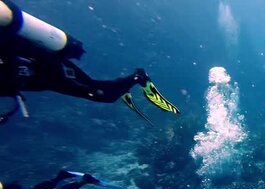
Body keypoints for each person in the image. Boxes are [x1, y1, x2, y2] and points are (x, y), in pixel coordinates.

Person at [0, 0, 179, 125]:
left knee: (100, 94)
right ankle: (131, 80)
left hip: (46, 67)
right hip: (38, 76)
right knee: (97, 92)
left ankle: (138, 77)